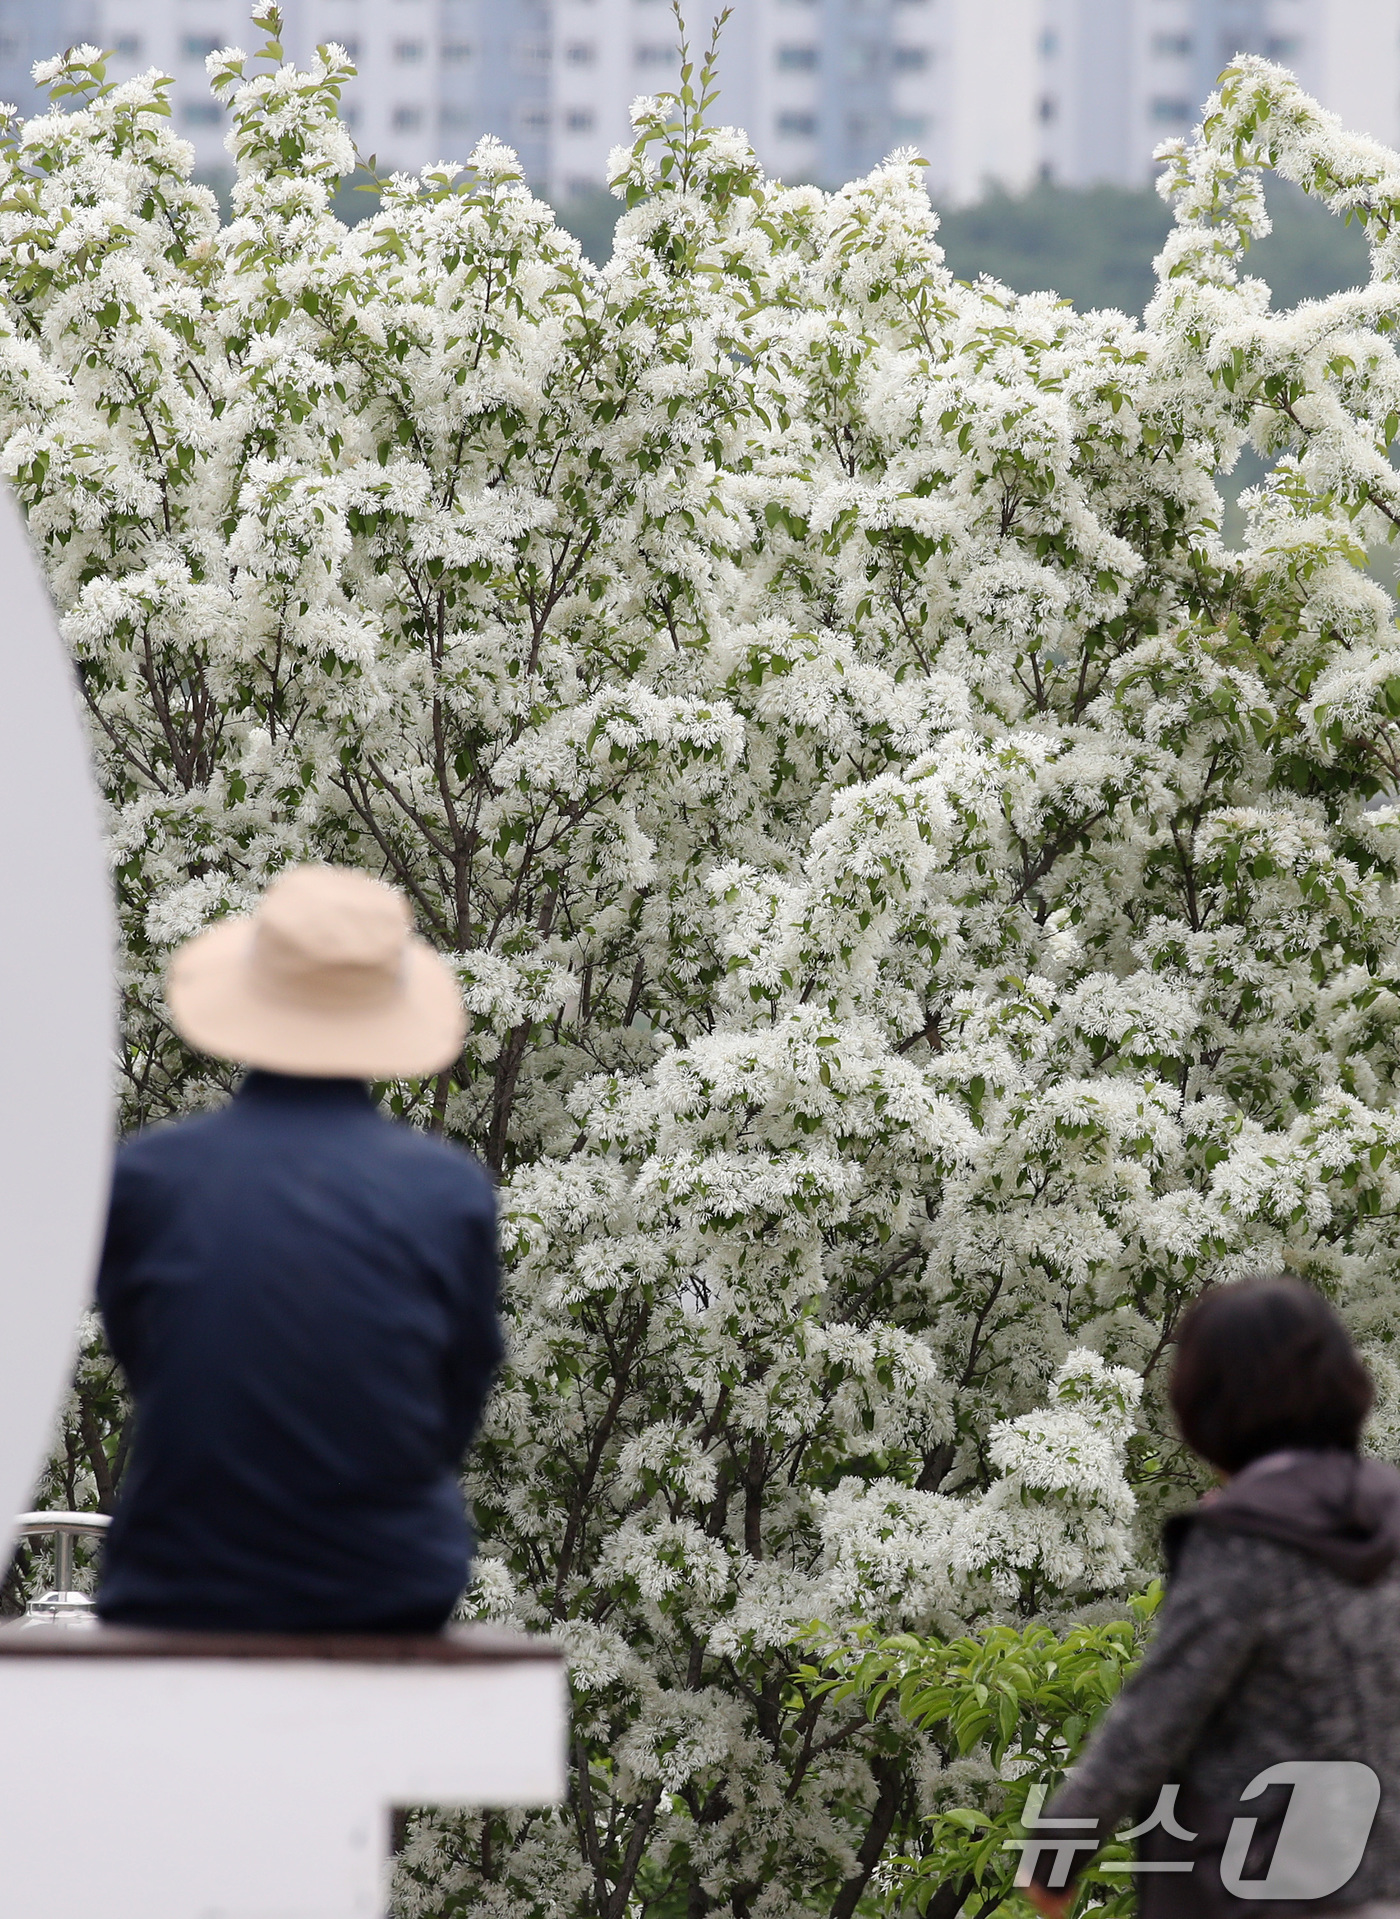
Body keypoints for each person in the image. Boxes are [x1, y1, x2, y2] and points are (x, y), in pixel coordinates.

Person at [94, 865, 503, 1633]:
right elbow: (456, 1398)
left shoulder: (150, 1178)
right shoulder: (449, 1192)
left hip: (178, 1576)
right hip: (390, 1582)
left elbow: (151, 1361)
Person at [1027, 1275, 1400, 1919]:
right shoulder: (1389, 1514)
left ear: (1205, 1402)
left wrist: (1056, 1854)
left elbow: (1153, 1721)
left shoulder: (1249, 1542)